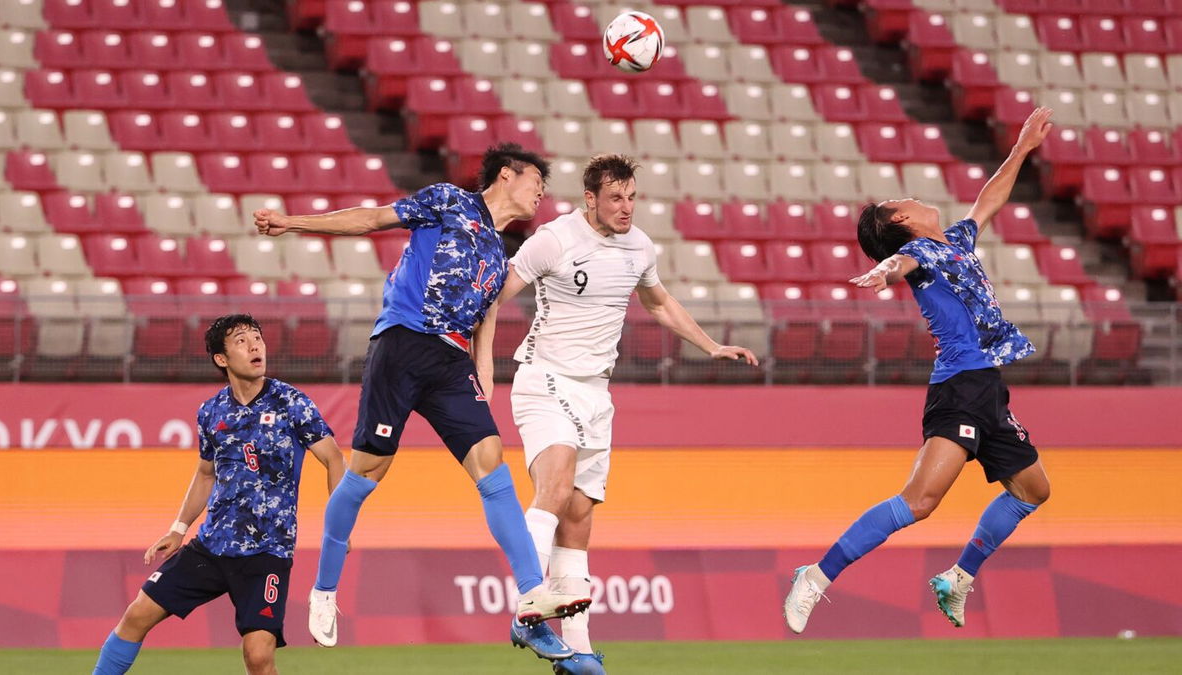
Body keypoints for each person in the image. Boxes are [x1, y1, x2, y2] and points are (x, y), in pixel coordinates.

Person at [253, 143, 588, 660]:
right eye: (536, 181)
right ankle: (323, 590)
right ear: (506, 175)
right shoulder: (448, 200)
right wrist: (292, 222)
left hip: (453, 363)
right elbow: (370, 219)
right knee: (366, 473)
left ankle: (530, 593)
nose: (542, 192)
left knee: (492, 461)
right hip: (404, 343)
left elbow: (486, 321)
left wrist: (484, 372)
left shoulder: (499, 254)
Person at [474, 154, 759, 673]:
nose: (626, 208)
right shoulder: (554, 240)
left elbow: (658, 303)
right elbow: (490, 296)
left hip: (595, 394)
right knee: (555, 489)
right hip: (545, 379)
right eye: (615, 198)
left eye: (631, 197)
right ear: (590, 199)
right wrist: (484, 364)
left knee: (579, 518)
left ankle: (578, 651)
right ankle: (528, 604)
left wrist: (711, 345)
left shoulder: (640, 246)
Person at [783, 107, 1055, 634]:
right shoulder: (920, 254)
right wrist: (884, 271)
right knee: (920, 502)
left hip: (987, 389)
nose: (910, 196)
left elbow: (988, 202)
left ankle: (958, 578)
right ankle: (815, 576)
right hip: (958, 389)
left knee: (1032, 490)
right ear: (900, 221)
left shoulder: (954, 242)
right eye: (899, 201)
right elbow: (900, 264)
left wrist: (1021, 148)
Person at [92, 314, 346, 674]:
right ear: (221, 359)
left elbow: (335, 460)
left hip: (267, 553)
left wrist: (339, 529)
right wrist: (179, 528)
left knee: (258, 657)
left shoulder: (291, 402)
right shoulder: (211, 412)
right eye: (242, 340)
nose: (255, 345)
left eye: (257, 337)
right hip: (210, 547)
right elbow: (205, 472)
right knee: (136, 615)